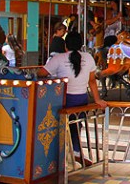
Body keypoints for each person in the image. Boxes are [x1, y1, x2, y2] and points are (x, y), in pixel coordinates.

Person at [38, 32, 107, 165]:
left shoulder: (58, 58)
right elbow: (92, 81)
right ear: (81, 45)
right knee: (76, 125)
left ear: (65, 46)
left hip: (63, 100)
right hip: (81, 99)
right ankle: (75, 152)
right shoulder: (88, 57)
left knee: (57, 127)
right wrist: (97, 100)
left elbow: (41, 73)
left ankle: (56, 156)